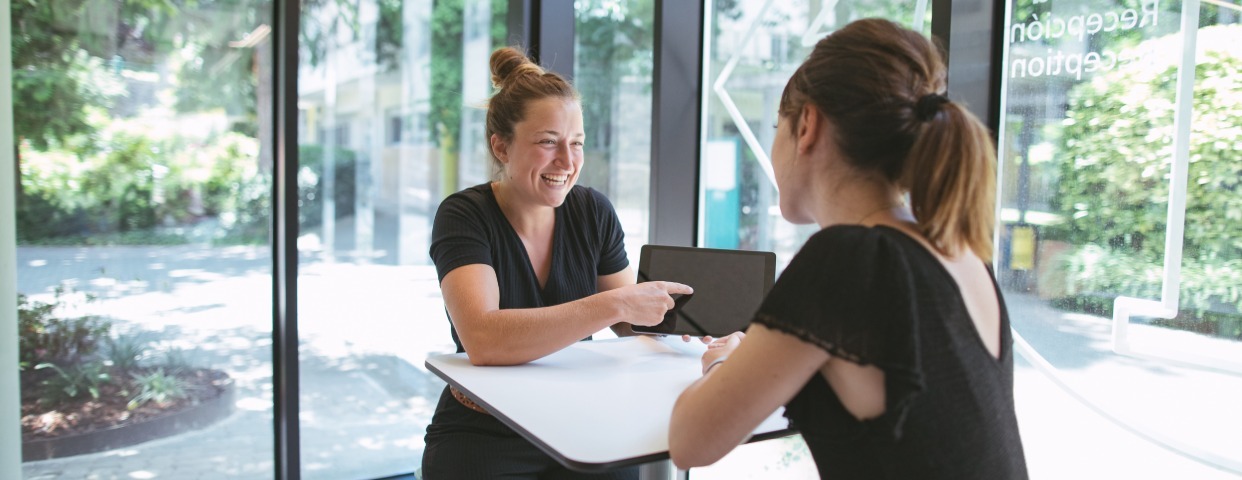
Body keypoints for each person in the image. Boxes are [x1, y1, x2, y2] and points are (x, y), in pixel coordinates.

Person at [668, 18, 1029, 479]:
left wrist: (722, 360)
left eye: (779, 125)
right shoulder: (955, 248)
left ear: (807, 126)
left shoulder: (850, 257)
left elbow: (689, 442)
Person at [422, 47, 691, 479]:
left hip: (578, 422)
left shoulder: (592, 211)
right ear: (501, 146)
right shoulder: (464, 215)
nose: (567, 162)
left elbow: (632, 321)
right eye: (548, 142)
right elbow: (484, 339)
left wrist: (698, 325)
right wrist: (617, 305)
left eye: (577, 143)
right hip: (485, 433)